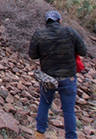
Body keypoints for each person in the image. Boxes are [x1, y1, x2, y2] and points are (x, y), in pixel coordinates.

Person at [29, 11, 87, 139]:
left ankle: (40, 134)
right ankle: (71, 137)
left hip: (48, 77)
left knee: (44, 104)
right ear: (59, 21)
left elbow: (32, 55)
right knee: (68, 110)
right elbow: (83, 51)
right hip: (68, 77)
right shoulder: (70, 32)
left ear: (47, 21)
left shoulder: (39, 34)